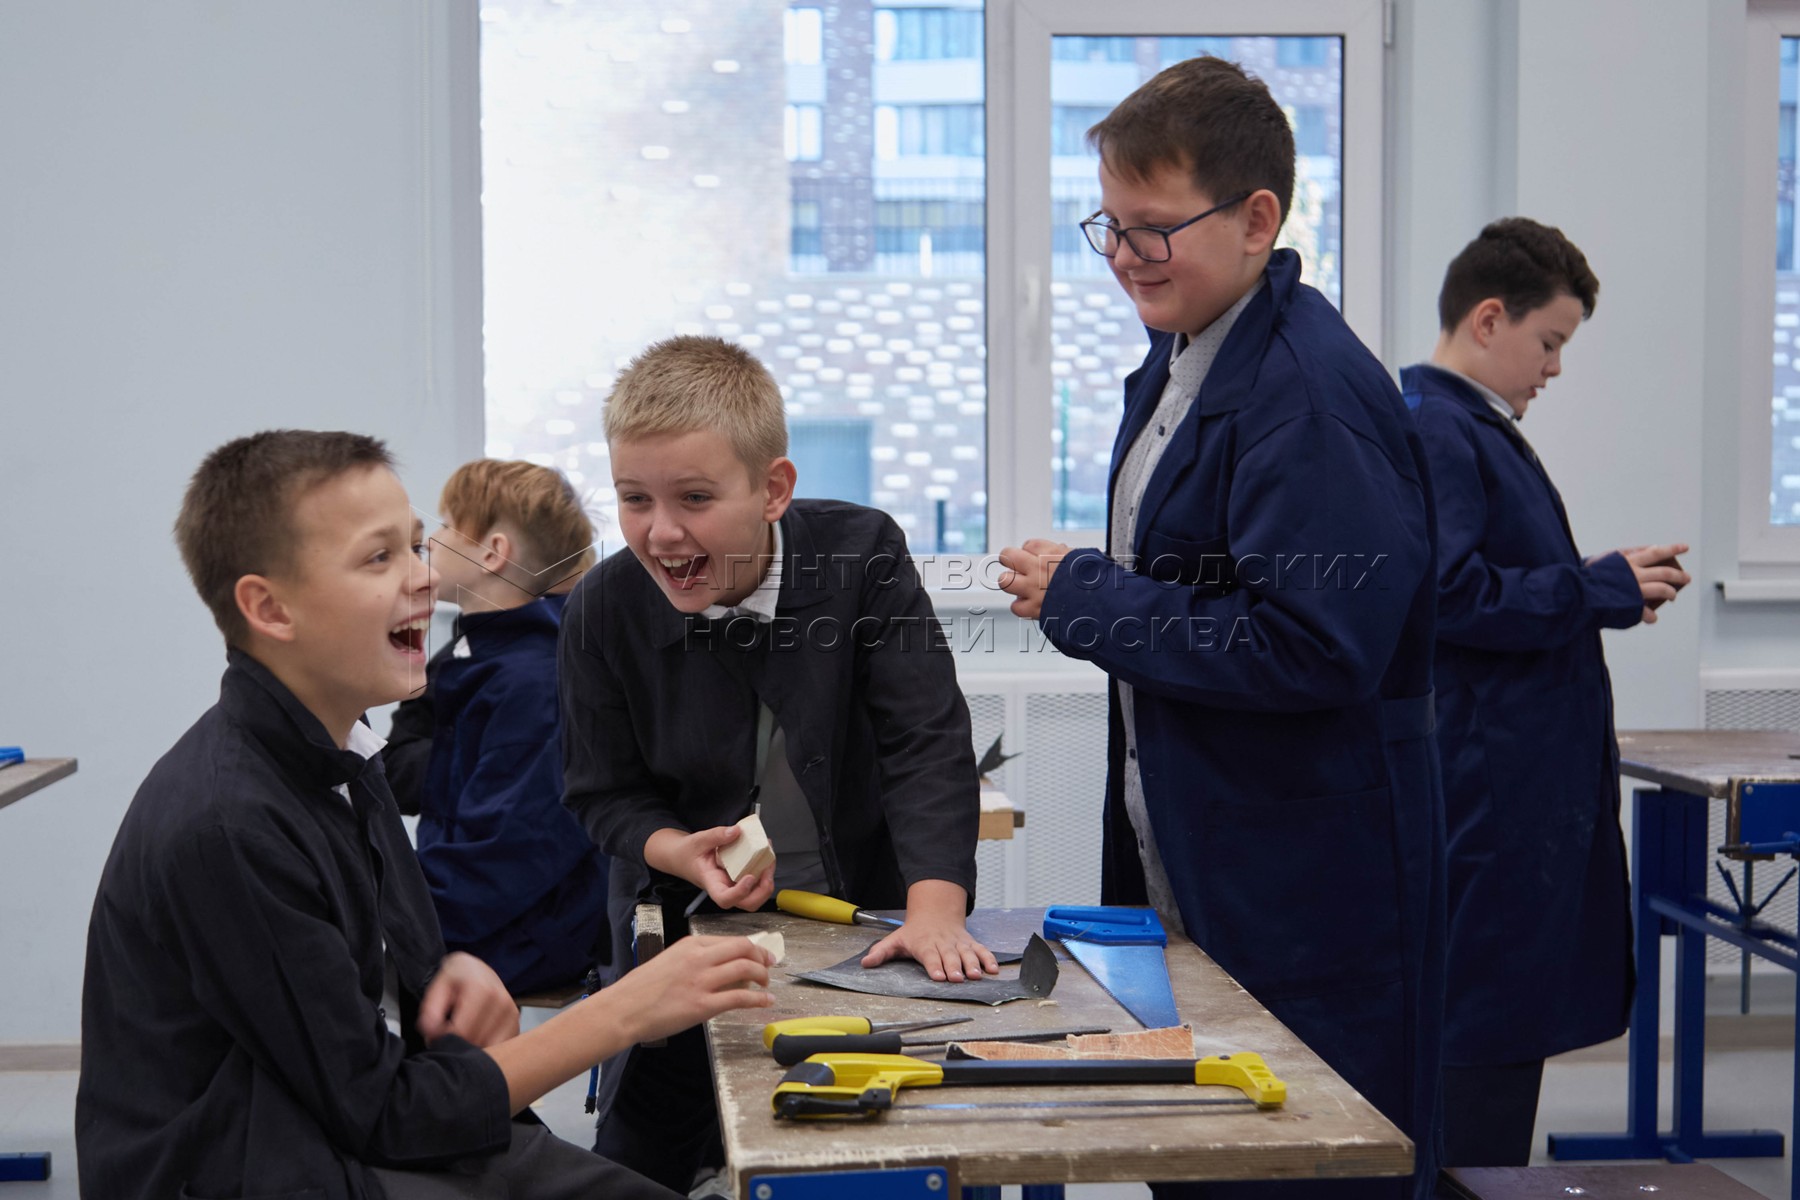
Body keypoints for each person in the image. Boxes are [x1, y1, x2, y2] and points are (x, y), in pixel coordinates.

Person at [76, 430, 774, 1200]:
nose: (423, 575)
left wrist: (439, 976)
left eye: (416, 545)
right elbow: (381, 1113)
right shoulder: (229, 823)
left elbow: (372, 989)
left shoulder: (346, 749)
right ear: (269, 608)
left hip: (342, 1130)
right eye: (381, 558)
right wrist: (626, 1012)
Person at [997, 56, 1444, 1200]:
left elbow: (1315, 644)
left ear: (1256, 220)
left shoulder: (1306, 395)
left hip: (1303, 903)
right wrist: (1096, 591)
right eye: (1110, 226)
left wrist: (1090, 599)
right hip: (1206, 872)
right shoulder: (1190, 353)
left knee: (1286, 1174)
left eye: (1155, 228)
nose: (1125, 256)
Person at [559, 334, 996, 1191]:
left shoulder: (861, 556)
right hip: (681, 931)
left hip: (855, 925)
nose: (661, 531)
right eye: (634, 499)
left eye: (694, 498)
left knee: (868, 1158)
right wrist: (679, 851)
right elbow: (601, 793)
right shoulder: (602, 610)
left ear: (773, 490)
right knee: (643, 1158)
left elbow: (924, 739)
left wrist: (935, 912)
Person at [1401, 218, 1690, 1167]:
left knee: (1497, 1031)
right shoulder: (1440, 426)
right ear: (1490, 319)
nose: (1555, 368)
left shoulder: (1465, 424)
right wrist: (1595, 588)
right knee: (1481, 1046)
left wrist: (1602, 581)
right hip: (1486, 797)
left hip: (1500, 787)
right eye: (1550, 342)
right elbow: (1449, 596)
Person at [399, 458, 611, 995]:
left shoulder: (533, 682)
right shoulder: (475, 656)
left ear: (493, 552)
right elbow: (408, 775)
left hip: (514, 943)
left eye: (449, 525)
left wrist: (402, 930)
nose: (433, 541)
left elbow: (511, 850)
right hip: (478, 927)